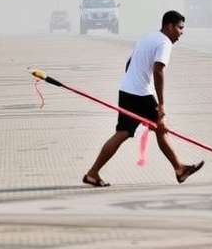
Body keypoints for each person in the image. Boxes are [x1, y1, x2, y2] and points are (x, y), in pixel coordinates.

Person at [82, 10, 204, 187]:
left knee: (124, 132)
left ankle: (92, 173)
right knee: (160, 127)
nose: (181, 32)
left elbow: (129, 63)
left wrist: (132, 81)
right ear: (169, 26)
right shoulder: (164, 43)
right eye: (180, 28)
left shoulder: (148, 37)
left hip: (127, 90)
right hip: (140, 94)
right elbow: (158, 70)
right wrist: (161, 104)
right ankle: (179, 169)